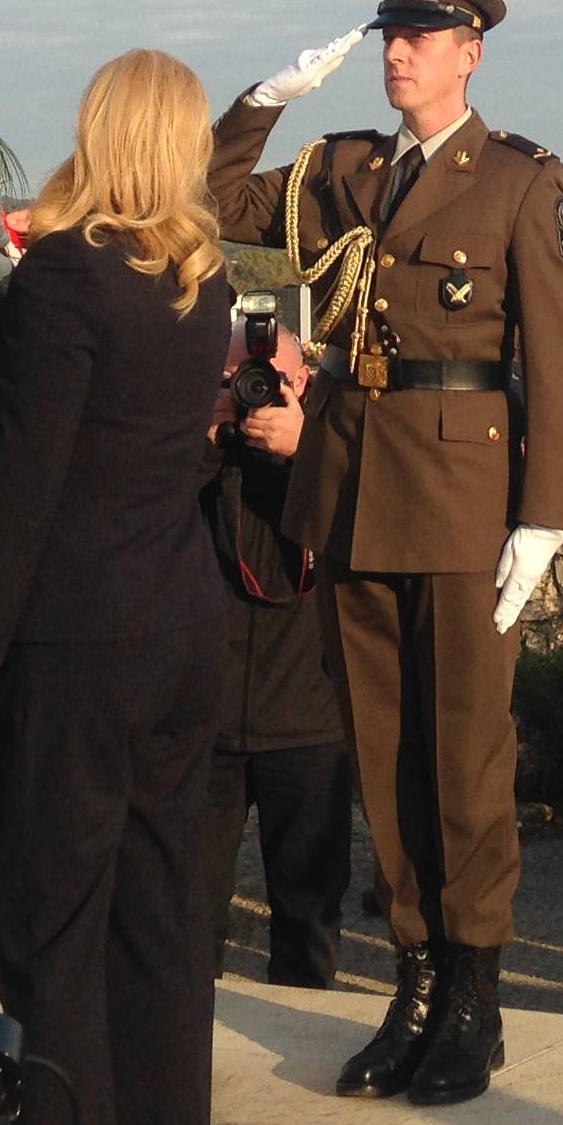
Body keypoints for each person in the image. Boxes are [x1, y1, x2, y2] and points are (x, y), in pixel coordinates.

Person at [208, 0, 563, 1107]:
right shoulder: (346, 168)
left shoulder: (516, 179)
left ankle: (475, 996)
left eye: (421, 37)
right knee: (382, 753)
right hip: (358, 488)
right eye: (390, 34)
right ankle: (415, 982)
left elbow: (562, 363)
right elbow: (215, 203)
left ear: (469, 54)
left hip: (466, 501)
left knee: (464, 758)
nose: (397, 52)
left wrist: (544, 518)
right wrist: (263, 104)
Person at [0, 50, 232, 1125]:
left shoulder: (65, 276)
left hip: (77, 639)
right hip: (181, 627)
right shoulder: (200, 280)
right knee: (160, 926)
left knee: (50, 932)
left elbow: (25, 477)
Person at [200, 309, 353, 989]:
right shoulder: (204, 448)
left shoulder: (339, 447)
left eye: (269, 378)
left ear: (306, 381)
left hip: (308, 714)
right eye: (237, 378)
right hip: (207, 716)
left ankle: (310, 1033)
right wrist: (209, 431)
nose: (255, 392)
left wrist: (307, 449)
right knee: (188, 905)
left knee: (308, 909)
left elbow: (358, 534)